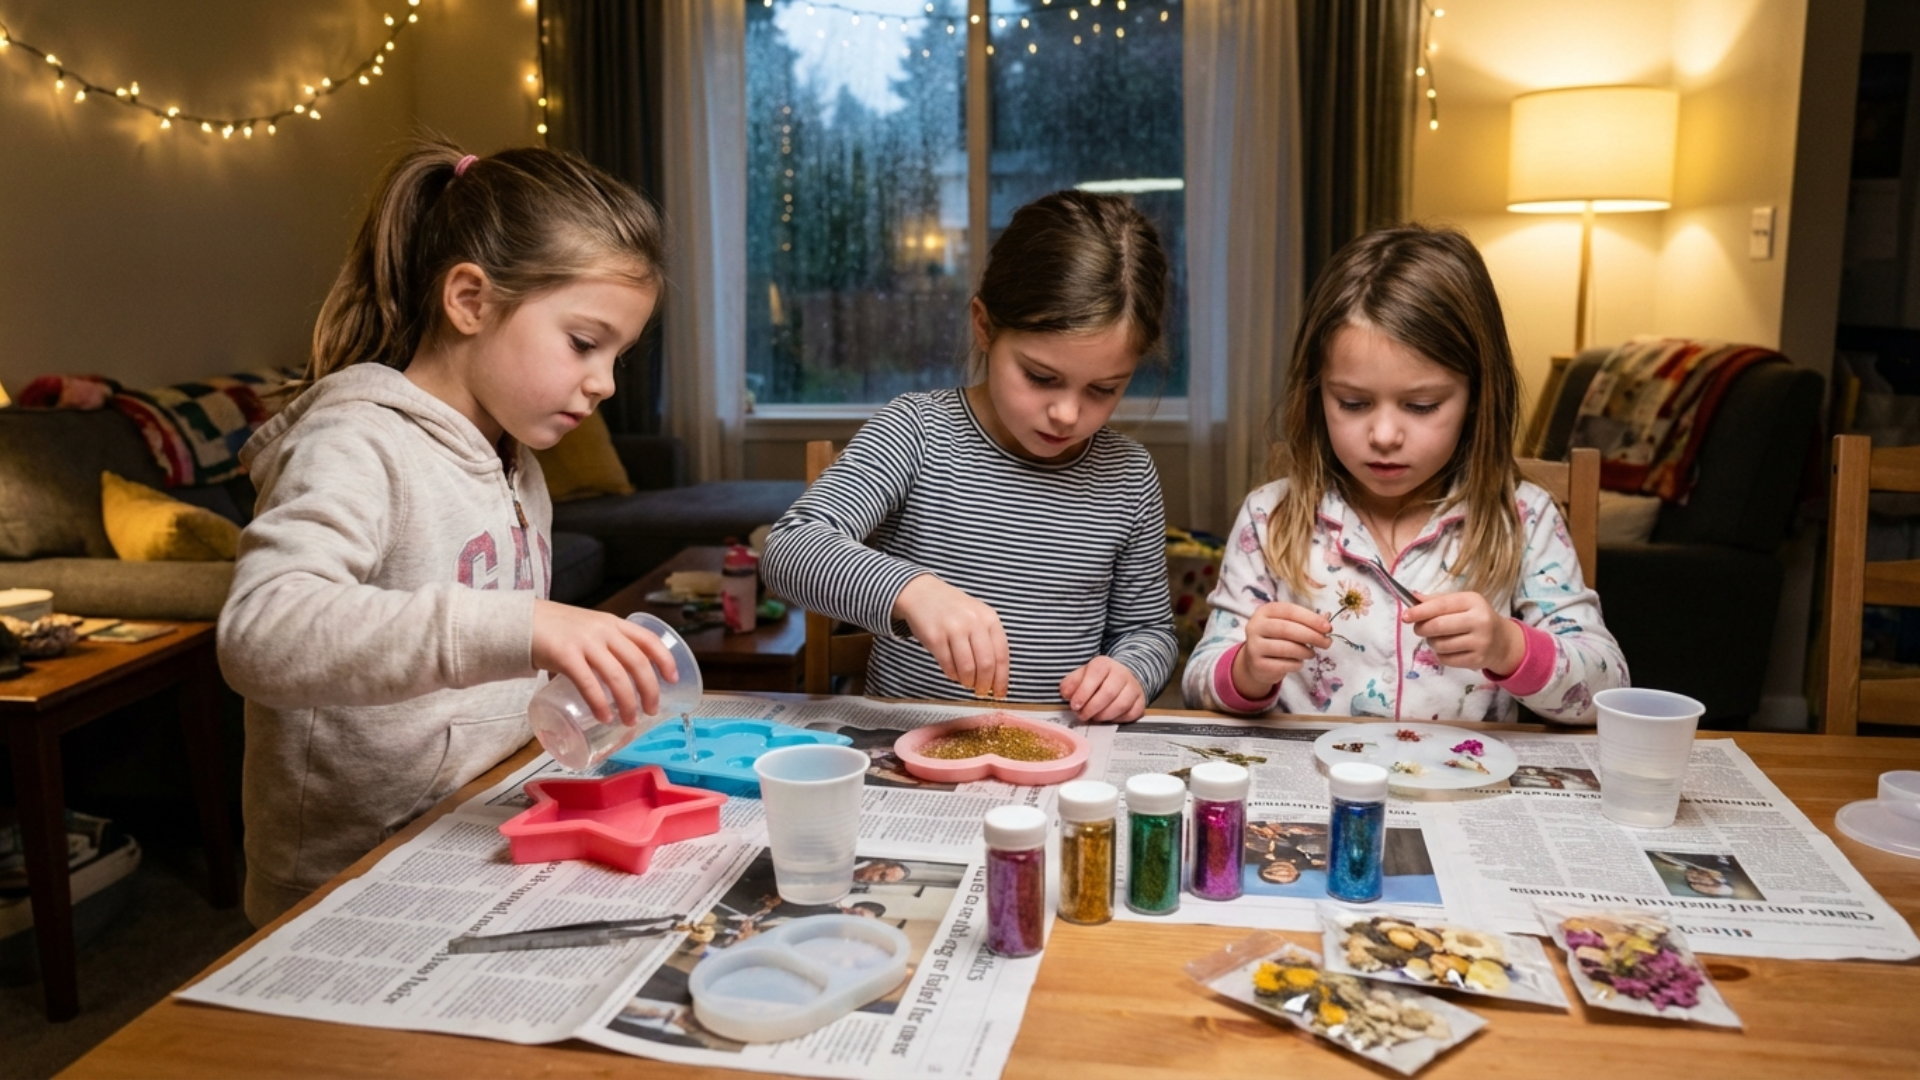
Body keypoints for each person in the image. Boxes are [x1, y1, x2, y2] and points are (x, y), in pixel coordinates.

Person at [219, 140, 676, 925]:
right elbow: (262, 629)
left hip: (472, 835)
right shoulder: (356, 442)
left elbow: (485, 665)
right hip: (345, 885)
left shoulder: (517, 461)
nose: (603, 382)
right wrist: (525, 626)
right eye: (583, 342)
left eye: (618, 357)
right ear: (470, 299)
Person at [1182, 224, 1626, 724]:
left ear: (1476, 397)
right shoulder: (1271, 517)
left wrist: (1511, 647)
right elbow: (1199, 684)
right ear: (1316, 393)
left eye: (1421, 405)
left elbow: (1606, 689)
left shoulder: (1524, 519)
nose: (1385, 435)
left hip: (1462, 789)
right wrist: (1245, 669)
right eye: (1352, 403)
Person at [762, 190, 1178, 722]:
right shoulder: (917, 432)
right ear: (984, 326)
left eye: (1103, 389)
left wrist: (1131, 672)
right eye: (1041, 377)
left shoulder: (1128, 475)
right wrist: (911, 590)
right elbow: (790, 549)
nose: (1067, 415)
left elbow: (1150, 631)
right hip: (913, 744)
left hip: (1056, 754)